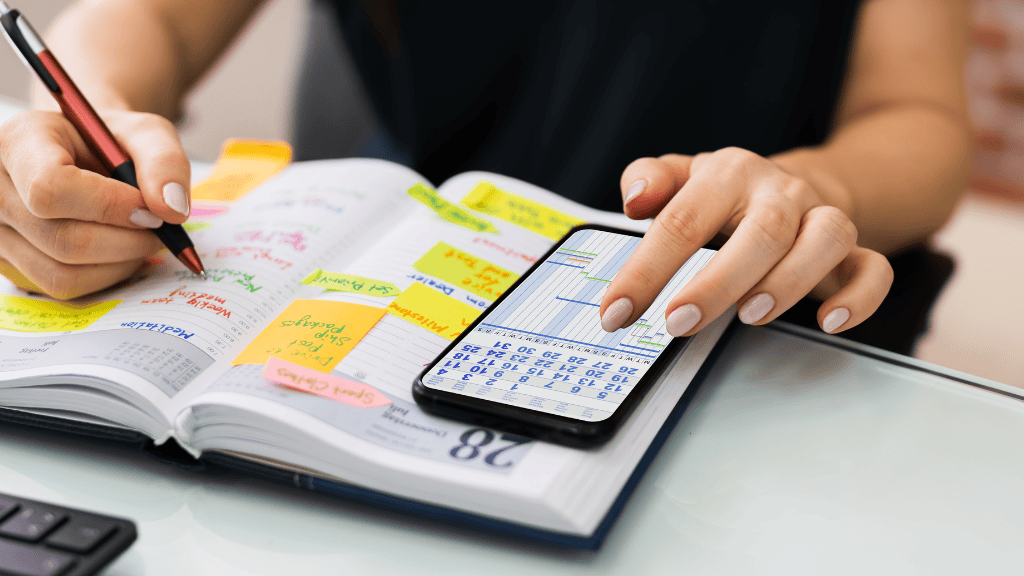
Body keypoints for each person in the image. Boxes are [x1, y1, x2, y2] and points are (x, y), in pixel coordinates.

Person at [0, 0, 970, 348]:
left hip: (737, 306)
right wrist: (86, 116)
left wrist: (819, 192)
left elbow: (915, 117)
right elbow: (151, 19)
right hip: (409, 303)